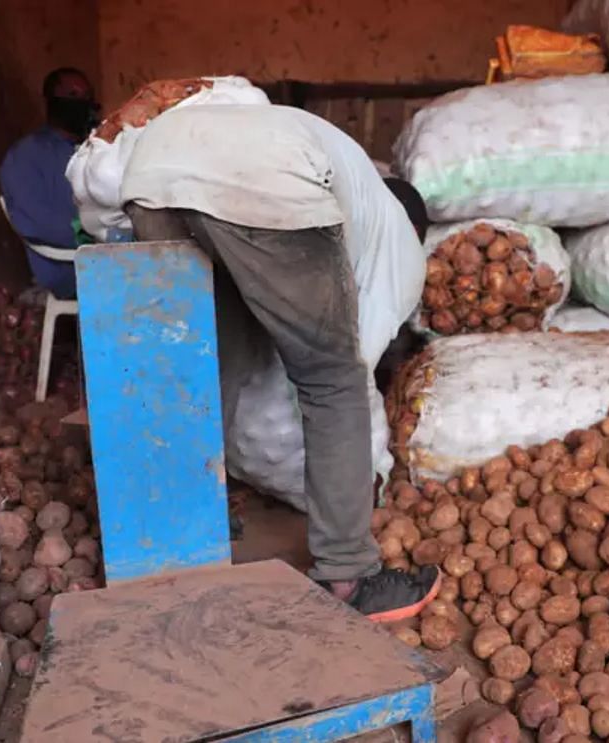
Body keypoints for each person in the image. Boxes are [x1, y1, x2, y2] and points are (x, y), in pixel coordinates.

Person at [120, 103, 437, 622]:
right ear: (416, 228)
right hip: (259, 181)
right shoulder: (403, 247)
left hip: (153, 169)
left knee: (208, 367)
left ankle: (182, 536)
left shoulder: (357, 185)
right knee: (332, 383)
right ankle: (349, 576)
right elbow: (352, 366)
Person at [0, 67, 101, 299]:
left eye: (87, 96)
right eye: (73, 96)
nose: (82, 102)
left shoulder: (96, 150)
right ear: (52, 101)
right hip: (67, 266)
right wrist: (97, 237)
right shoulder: (25, 156)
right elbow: (37, 223)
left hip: (107, 257)